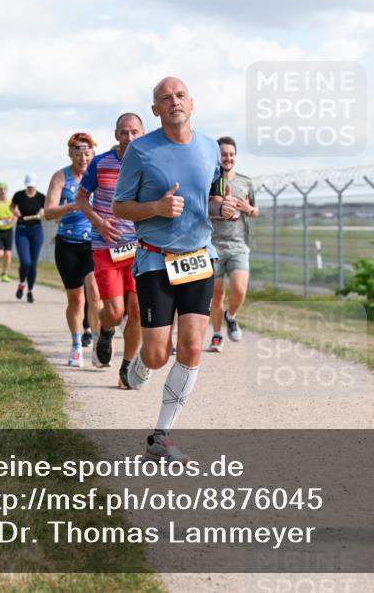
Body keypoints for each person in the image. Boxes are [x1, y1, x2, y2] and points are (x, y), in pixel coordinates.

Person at [113, 76, 237, 463]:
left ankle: (161, 436)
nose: (174, 102)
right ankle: (139, 362)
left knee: (192, 345)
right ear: (155, 110)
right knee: (156, 354)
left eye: (180, 95)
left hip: (199, 257)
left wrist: (222, 209)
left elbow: (212, 199)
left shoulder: (208, 148)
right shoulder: (141, 151)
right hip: (154, 259)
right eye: (165, 98)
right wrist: (155, 208)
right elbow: (120, 207)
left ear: (192, 103)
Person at [78, 115, 146, 385]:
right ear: (116, 134)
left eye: (134, 133)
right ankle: (106, 330)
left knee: (138, 310)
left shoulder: (150, 162)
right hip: (107, 247)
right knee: (116, 311)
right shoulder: (100, 162)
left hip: (141, 248)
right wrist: (98, 222)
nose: (129, 138)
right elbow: (82, 198)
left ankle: (127, 369)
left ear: (143, 133)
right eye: (124, 133)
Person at [46, 134, 100, 368]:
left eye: (87, 154)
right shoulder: (61, 177)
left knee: (95, 293)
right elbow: (48, 212)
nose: (83, 159)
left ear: (93, 155)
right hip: (67, 243)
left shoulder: (99, 175)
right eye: (78, 154)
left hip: (94, 243)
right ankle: (77, 344)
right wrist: (75, 205)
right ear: (70, 155)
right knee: (76, 300)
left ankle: (99, 344)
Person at [207, 136, 259, 352]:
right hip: (213, 244)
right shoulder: (210, 181)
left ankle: (231, 315)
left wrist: (248, 210)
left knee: (239, 288)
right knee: (217, 294)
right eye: (223, 154)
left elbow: (255, 211)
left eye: (231, 154)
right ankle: (217, 334)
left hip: (238, 244)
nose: (227, 158)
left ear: (235, 156)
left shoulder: (245, 182)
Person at [11, 174, 46, 304]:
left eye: (32, 185)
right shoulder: (19, 195)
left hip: (36, 230)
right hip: (22, 230)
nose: (30, 188)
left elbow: (45, 209)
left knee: (33, 264)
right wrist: (15, 212)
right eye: (29, 185)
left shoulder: (41, 197)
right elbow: (12, 206)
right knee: (25, 262)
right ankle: (21, 283)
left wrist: (42, 212)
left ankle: (30, 291)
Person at [0, 182, 16, 282]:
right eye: (0, 189)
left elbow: (16, 214)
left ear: (7, 190)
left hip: (8, 230)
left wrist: (14, 218)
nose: (2, 191)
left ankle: (4, 274)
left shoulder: (11, 202)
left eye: (4, 189)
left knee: (8, 254)